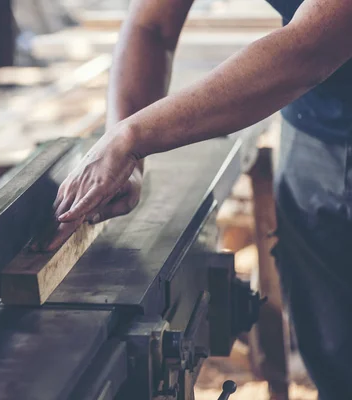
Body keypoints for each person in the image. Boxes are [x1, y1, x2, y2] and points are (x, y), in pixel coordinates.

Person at [42, 0, 352, 399]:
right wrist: (127, 156)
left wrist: (131, 139)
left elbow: (313, 46)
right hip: (312, 128)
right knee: (331, 339)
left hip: (311, 69)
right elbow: (151, 26)